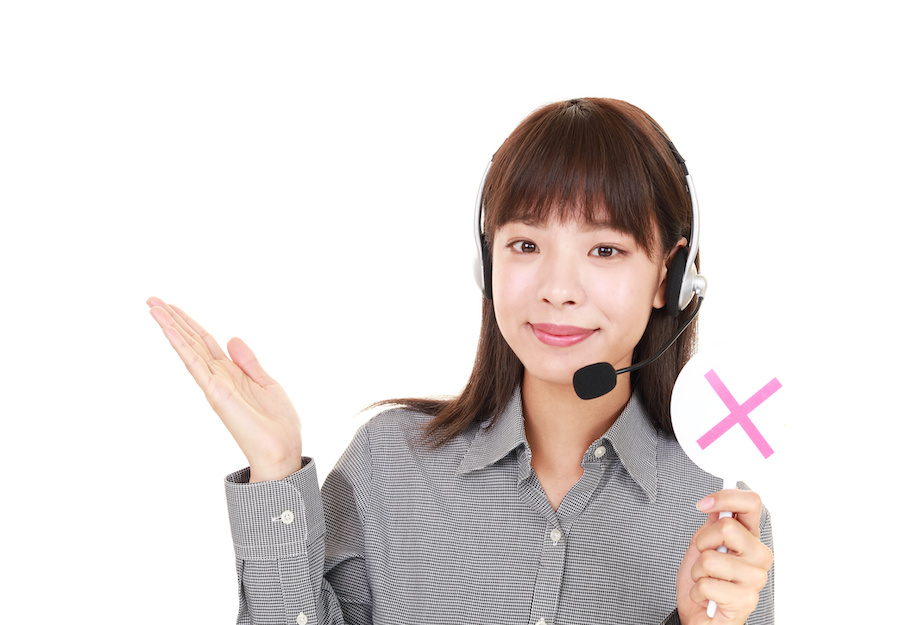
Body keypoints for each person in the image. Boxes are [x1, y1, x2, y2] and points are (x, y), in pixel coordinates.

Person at [148, 98, 774, 625]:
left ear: (671, 275)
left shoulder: (720, 517)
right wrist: (277, 468)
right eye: (525, 244)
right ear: (487, 262)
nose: (558, 288)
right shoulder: (389, 467)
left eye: (605, 249)